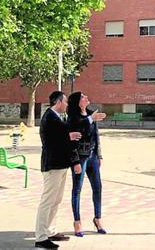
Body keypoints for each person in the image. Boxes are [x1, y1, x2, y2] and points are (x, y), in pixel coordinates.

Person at [35, 91, 82, 249]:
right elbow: (53, 140)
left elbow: (62, 136)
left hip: (61, 165)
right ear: (59, 102)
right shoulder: (50, 117)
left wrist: (69, 136)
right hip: (52, 165)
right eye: (66, 101)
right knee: (47, 201)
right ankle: (41, 237)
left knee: (56, 200)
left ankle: (50, 231)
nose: (67, 104)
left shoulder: (57, 117)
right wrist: (69, 136)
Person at [66, 92, 107, 237]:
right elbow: (72, 140)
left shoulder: (91, 114)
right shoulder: (73, 117)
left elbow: (96, 136)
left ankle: (98, 218)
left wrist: (99, 155)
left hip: (92, 157)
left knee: (97, 187)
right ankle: (77, 222)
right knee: (77, 189)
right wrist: (75, 161)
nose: (86, 97)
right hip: (80, 158)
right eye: (83, 96)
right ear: (78, 101)